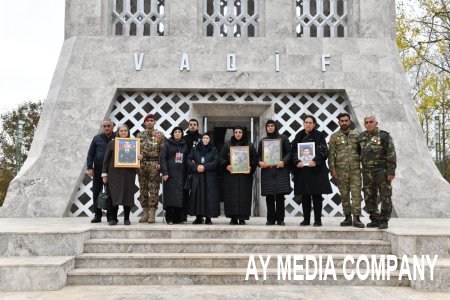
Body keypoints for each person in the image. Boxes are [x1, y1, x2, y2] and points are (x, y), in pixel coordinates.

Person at [292, 115, 332, 227]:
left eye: (310, 122)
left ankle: (318, 220)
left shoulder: (319, 135)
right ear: (303, 123)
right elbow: (294, 151)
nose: (308, 124)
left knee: (317, 196)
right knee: (305, 196)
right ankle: (306, 220)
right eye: (306, 122)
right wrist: (296, 161)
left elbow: (324, 150)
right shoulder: (299, 135)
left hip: (316, 170)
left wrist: (315, 161)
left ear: (314, 124)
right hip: (303, 171)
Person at [358, 116, 396, 229]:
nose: (369, 124)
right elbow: (359, 153)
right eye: (366, 122)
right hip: (366, 171)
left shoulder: (384, 136)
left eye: (371, 122)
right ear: (364, 124)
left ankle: (384, 219)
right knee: (369, 195)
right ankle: (374, 218)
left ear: (376, 123)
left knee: (385, 195)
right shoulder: (362, 137)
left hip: (381, 171)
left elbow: (391, 154)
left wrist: (391, 171)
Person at [328, 113, 364, 228]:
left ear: (349, 122)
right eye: (342, 121)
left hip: (355, 170)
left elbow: (362, 152)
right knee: (344, 195)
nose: (344, 123)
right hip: (341, 171)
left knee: (356, 194)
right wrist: (332, 169)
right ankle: (347, 217)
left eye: (346, 120)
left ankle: (357, 218)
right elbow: (331, 154)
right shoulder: (334, 136)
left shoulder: (357, 135)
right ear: (339, 122)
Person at [220, 126, 257, 225]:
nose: (238, 134)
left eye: (240, 132)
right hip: (231, 176)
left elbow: (254, 158)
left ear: (243, 133)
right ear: (233, 133)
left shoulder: (250, 145)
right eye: (236, 132)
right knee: (231, 196)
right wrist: (226, 165)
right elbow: (221, 158)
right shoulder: (227, 145)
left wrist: (251, 168)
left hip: (245, 176)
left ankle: (242, 218)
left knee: (244, 196)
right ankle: (233, 218)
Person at [257, 120, 292, 226]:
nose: (270, 127)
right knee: (269, 197)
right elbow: (259, 156)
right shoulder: (263, 141)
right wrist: (260, 162)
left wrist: (284, 161)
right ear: (266, 128)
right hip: (267, 171)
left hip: (280, 171)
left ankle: (280, 220)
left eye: (272, 126)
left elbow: (290, 152)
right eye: (268, 126)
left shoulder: (283, 138)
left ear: (276, 127)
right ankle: (270, 219)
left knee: (280, 196)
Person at [102, 125, 137, 225]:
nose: (123, 132)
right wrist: (104, 174)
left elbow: (136, 159)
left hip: (129, 174)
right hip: (114, 174)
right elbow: (106, 160)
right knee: (114, 196)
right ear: (118, 132)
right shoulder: (112, 143)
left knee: (128, 195)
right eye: (121, 131)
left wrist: (139, 157)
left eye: (125, 130)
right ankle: (113, 218)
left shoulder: (134, 144)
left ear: (128, 132)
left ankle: (126, 218)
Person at [137, 114, 166, 223]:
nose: (149, 122)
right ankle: (145, 212)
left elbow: (163, 151)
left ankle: (152, 213)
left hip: (154, 164)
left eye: (151, 120)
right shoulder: (139, 135)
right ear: (144, 122)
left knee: (154, 189)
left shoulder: (160, 135)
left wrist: (160, 163)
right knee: (143, 188)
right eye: (147, 120)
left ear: (154, 122)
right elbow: (135, 149)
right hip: (142, 164)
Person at [187, 133, 220, 224]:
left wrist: (205, 167)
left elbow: (216, 162)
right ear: (201, 140)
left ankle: (208, 217)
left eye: (207, 138)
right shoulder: (195, 149)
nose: (205, 139)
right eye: (204, 138)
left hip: (209, 177)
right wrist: (196, 166)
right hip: (198, 177)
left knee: (209, 197)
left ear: (210, 140)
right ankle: (199, 217)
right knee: (198, 197)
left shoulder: (213, 150)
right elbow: (188, 159)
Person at [86, 119, 115, 223]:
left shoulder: (117, 138)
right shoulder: (96, 138)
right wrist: (89, 167)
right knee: (96, 193)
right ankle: (97, 215)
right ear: (103, 127)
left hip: (112, 170)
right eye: (105, 126)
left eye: (109, 126)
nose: (106, 128)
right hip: (98, 169)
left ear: (113, 127)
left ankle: (110, 216)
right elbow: (90, 154)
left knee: (110, 193)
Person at [160, 127, 188, 224]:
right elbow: (162, 159)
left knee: (179, 196)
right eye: (175, 132)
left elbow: (187, 158)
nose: (177, 133)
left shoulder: (184, 145)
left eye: (179, 132)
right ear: (172, 134)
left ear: (182, 134)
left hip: (181, 174)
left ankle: (178, 218)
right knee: (170, 196)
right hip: (170, 174)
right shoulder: (167, 144)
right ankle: (169, 217)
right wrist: (165, 173)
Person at [182, 119, 203, 222]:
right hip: (185, 168)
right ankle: (183, 215)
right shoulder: (184, 138)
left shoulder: (202, 138)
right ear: (188, 126)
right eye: (191, 125)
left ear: (198, 126)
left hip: (198, 169)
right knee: (184, 192)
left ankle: (199, 216)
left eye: (195, 125)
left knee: (197, 192)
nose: (193, 126)